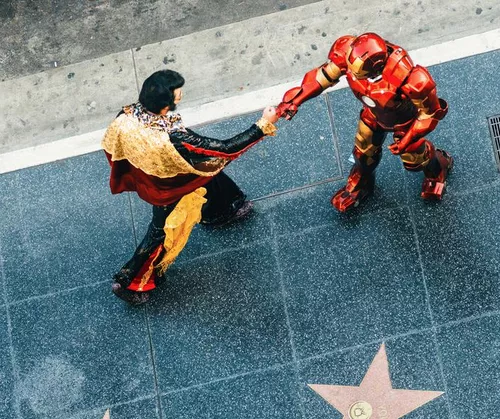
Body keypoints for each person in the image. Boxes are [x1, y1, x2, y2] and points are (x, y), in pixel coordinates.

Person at [102, 69, 279, 305]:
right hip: (171, 188)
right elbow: (224, 149)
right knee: (161, 234)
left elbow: (113, 149)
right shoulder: (175, 138)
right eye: (177, 92)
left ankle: (225, 209)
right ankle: (131, 282)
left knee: (209, 176)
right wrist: (263, 125)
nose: (180, 94)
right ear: (166, 103)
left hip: (159, 178)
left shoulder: (125, 116)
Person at [276, 32, 452, 213]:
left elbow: (430, 114)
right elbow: (322, 76)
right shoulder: (346, 52)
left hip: (405, 122)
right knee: (363, 151)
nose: (349, 73)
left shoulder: (411, 78)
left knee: (415, 159)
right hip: (373, 115)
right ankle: (363, 182)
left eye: (357, 72)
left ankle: (438, 168)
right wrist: (295, 100)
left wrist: (408, 138)